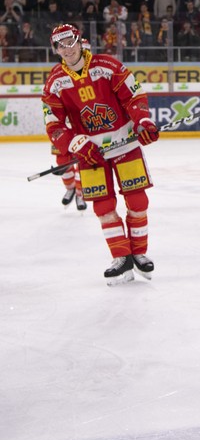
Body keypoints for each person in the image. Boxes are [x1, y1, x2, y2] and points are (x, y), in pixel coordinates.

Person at [41, 24, 159, 285]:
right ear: (55, 50)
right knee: (104, 206)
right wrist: (76, 144)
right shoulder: (54, 82)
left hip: (125, 144)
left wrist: (142, 122)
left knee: (138, 201)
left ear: (80, 41)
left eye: (70, 42)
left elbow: (134, 96)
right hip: (90, 154)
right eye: (60, 45)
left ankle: (139, 253)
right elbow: (54, 125)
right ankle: (121, 257)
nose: (67, 49)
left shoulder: (108, 65)